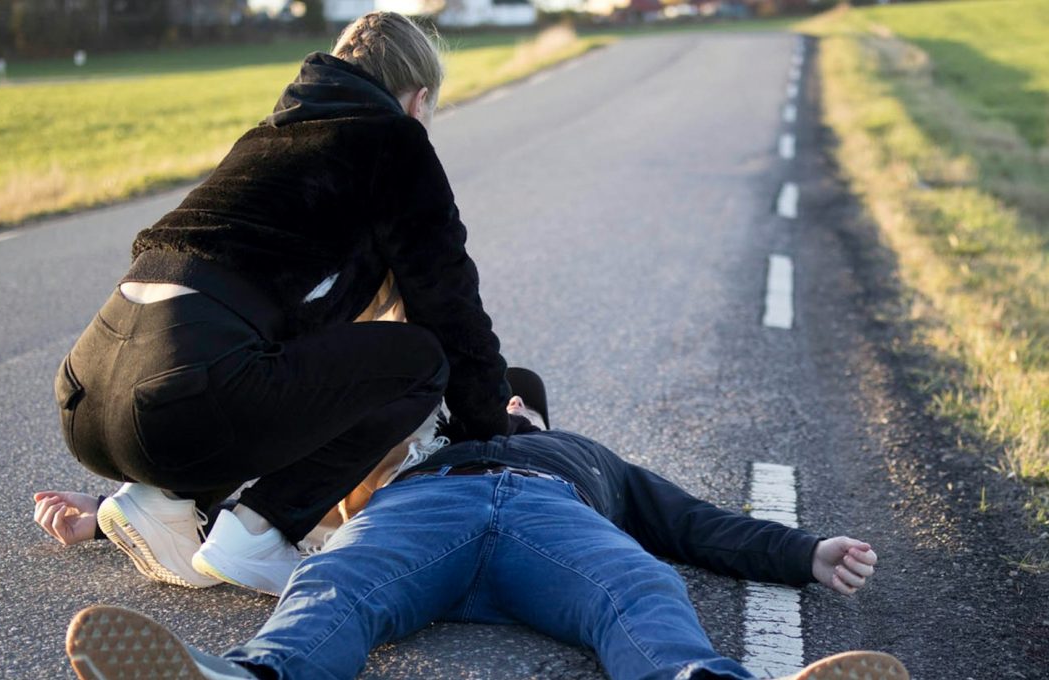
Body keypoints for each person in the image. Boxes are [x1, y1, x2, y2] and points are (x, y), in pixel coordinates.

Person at [48, 11, 532, 597]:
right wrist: (492, 426)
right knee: (421, 359)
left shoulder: (265, 139)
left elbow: (295, 379)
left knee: (271, 362)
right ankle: (259, 531)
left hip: (87, 395)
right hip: (180, 396)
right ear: (419, 99)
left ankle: (158, 500)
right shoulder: (394, 140)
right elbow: (452, 310)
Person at [59, 373, 908, 680]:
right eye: (490, 397)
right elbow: (275, 480)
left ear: (538, 414)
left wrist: (805, 552)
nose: (503, 402)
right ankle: (252, 679)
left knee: (642, 582)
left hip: (552, 526)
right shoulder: (415, 455)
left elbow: (693, 525)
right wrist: (104, 520)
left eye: (517, 398)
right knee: (336, 579)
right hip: (427, 516)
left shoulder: (589, 458)